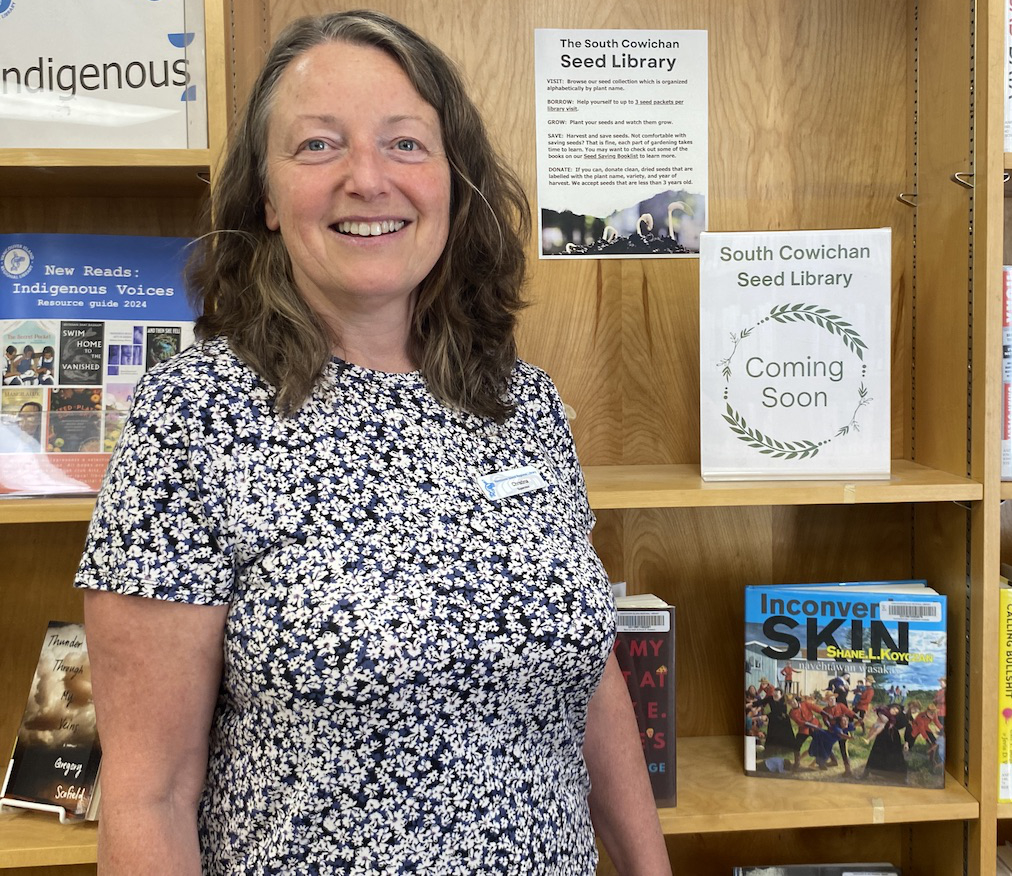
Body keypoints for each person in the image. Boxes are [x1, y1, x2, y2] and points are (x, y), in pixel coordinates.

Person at [75, 10, 670, 875]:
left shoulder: (521, 402)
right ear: (268, 199)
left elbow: (583, 679)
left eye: (405, 144)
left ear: (452, 182)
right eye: (318, 146)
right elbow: (148, 795)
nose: (367, 178)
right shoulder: (194, 416)